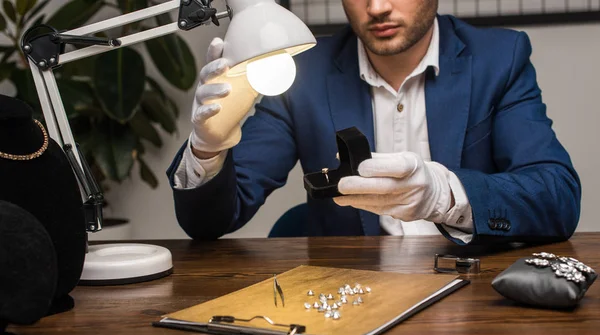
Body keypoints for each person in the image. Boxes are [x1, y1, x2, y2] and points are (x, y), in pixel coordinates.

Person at [167, 0, 581, 245]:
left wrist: (444, 196)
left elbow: (557, 198)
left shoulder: (499, 57)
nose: (378, 6)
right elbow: (209, 224)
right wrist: (209, 147)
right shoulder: (302, 74)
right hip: (349, 298)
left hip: (472, 301)